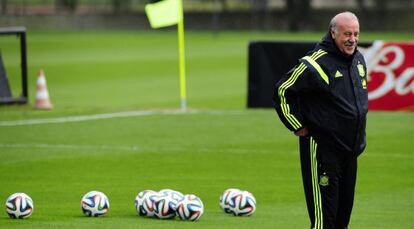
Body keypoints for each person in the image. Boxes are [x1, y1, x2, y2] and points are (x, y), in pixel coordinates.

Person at [273, 12, 368, 229]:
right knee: (324, 221)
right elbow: (283, 90)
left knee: (342, 220)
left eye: (356, 34)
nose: (352, 39)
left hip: (350, 151)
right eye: (347, 34)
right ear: (333, 33)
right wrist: (297, 125)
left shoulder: (359, 59)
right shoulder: (315, 62)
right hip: (323, 151)